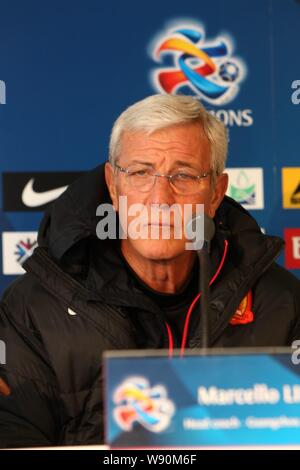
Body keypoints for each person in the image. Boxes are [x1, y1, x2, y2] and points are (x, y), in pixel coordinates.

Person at [0, 94, 299, 447]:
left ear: (216, 193)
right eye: (141, 172)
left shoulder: (280, 302)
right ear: (113, 185)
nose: (160, 200)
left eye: (183, 175)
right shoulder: (33, 309)